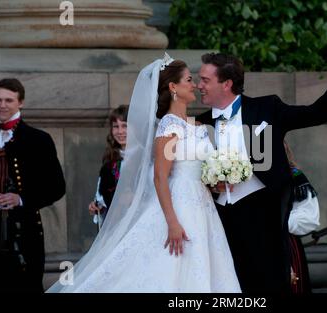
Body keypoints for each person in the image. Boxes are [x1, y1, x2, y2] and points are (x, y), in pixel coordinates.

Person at [47, 54, 241, 292]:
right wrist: (172, 223)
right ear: (173, 87)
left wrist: (217, 180)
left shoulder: (198, 126)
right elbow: (160, 177)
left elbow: (199, 169)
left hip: (203, 207)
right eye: (189, 80)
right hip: (178, 206)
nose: (195, 85)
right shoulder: (169, 126)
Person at [196, 53, 327, 293]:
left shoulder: (266, 108)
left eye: (205, 80)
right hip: (220, 220)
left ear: (226, 83)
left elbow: (315, 113)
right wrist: (210, 185)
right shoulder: (200, 123)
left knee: (270, 285)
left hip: (264, 216)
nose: (199, 85)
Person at [0, 78, 66, 292]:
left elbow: (57, 187)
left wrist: (21, 198)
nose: (2, 105)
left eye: (9, 100)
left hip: (24, 232)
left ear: (20, 103)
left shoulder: (38, 139)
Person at [284, 141, 320, 293]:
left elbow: (310, 217)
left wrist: (279, 221)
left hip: (285, 243)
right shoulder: (245, 174)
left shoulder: (295, 176)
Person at [88, 105, 128, 227]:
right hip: (116, 223)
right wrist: (96, 205)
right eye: (116, 127)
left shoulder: (146, 158)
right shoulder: (110, 161)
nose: (120, 131)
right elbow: (101, 196)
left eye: (125, 126)